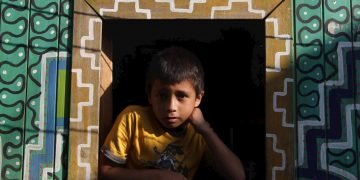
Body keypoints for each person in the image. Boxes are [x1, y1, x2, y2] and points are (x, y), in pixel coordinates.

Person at [100, 46, 245, 180]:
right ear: (150, 95)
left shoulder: (199, 135)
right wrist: (158, 177)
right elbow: (105, 171)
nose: (171, 107)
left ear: (198, 98)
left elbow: (237, 176)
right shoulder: (133, 118)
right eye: (162, 95)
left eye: (181, 96)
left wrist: (206, 130)